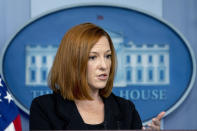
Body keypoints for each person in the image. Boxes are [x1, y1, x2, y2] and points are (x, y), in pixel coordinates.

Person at [29, 23, 165, 130]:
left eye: (108, 56)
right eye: (93, 57)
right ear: (72, 61)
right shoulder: (44, 108)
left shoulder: (126, 109)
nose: (104, 65)